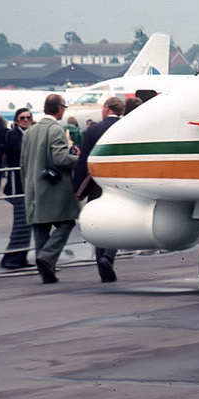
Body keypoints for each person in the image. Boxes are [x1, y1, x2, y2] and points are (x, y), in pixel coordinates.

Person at [21, 94, 81, 283]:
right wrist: (79, 160)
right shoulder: (56, 129)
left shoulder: (31, 130)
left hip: (33, 187)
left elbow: (23, 162)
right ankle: (46, 258)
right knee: (67, 222)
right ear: (58, 108)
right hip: (54, 188)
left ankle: (46, 270)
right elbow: (60, 159)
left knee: (41, 227)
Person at [75, 96, 123, 282]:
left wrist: (77, 186)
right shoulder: (127, 127)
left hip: (97, 183)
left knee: (98, 222)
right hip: (120, 184)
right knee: (117, 222)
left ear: (106, 108)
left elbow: (83, 161)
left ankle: (102, 267)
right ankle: (109, 256)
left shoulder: (93, 130)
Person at [0, 109, 33, 270]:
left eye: (28, 118)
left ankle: (20, 256)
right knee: (22, 222)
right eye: (22, 118)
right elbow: (24, 152)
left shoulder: (27, 134)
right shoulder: (13, 135)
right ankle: (11, 258)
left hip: (24, 185)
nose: (26, 120)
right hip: (17, 186)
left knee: (26, 223)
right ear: (17, 121)